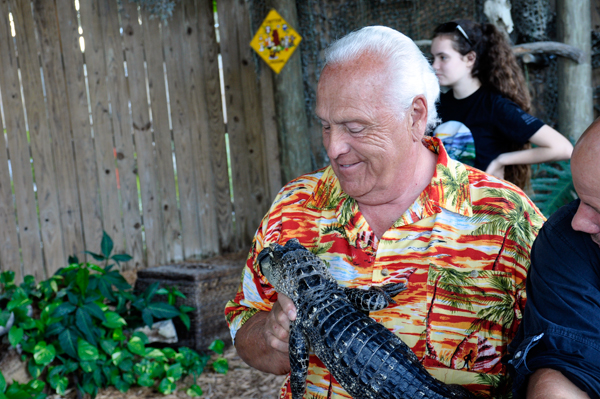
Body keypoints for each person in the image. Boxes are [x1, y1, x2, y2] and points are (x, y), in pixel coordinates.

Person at [224, 26, 545, 398]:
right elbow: (244, 323)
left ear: (415, 115)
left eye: (354, 127)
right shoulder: (294, 205)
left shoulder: (507, 218)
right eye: (325, 126)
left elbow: (561, 353)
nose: (333, 147)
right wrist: (271, 334)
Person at [506, 118, 600, 399]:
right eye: (580, 198)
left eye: (598, 208)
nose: (579, 222)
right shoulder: (566, 241)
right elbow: (569, 365)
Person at [430, 19, 573, 189]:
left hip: (483, 211)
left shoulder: (495, 106)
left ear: (469, 59)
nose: (434, 65)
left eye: (443, 58)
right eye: (433, 58)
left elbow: (563, 148)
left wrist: (502, 160)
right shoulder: (436, 105)